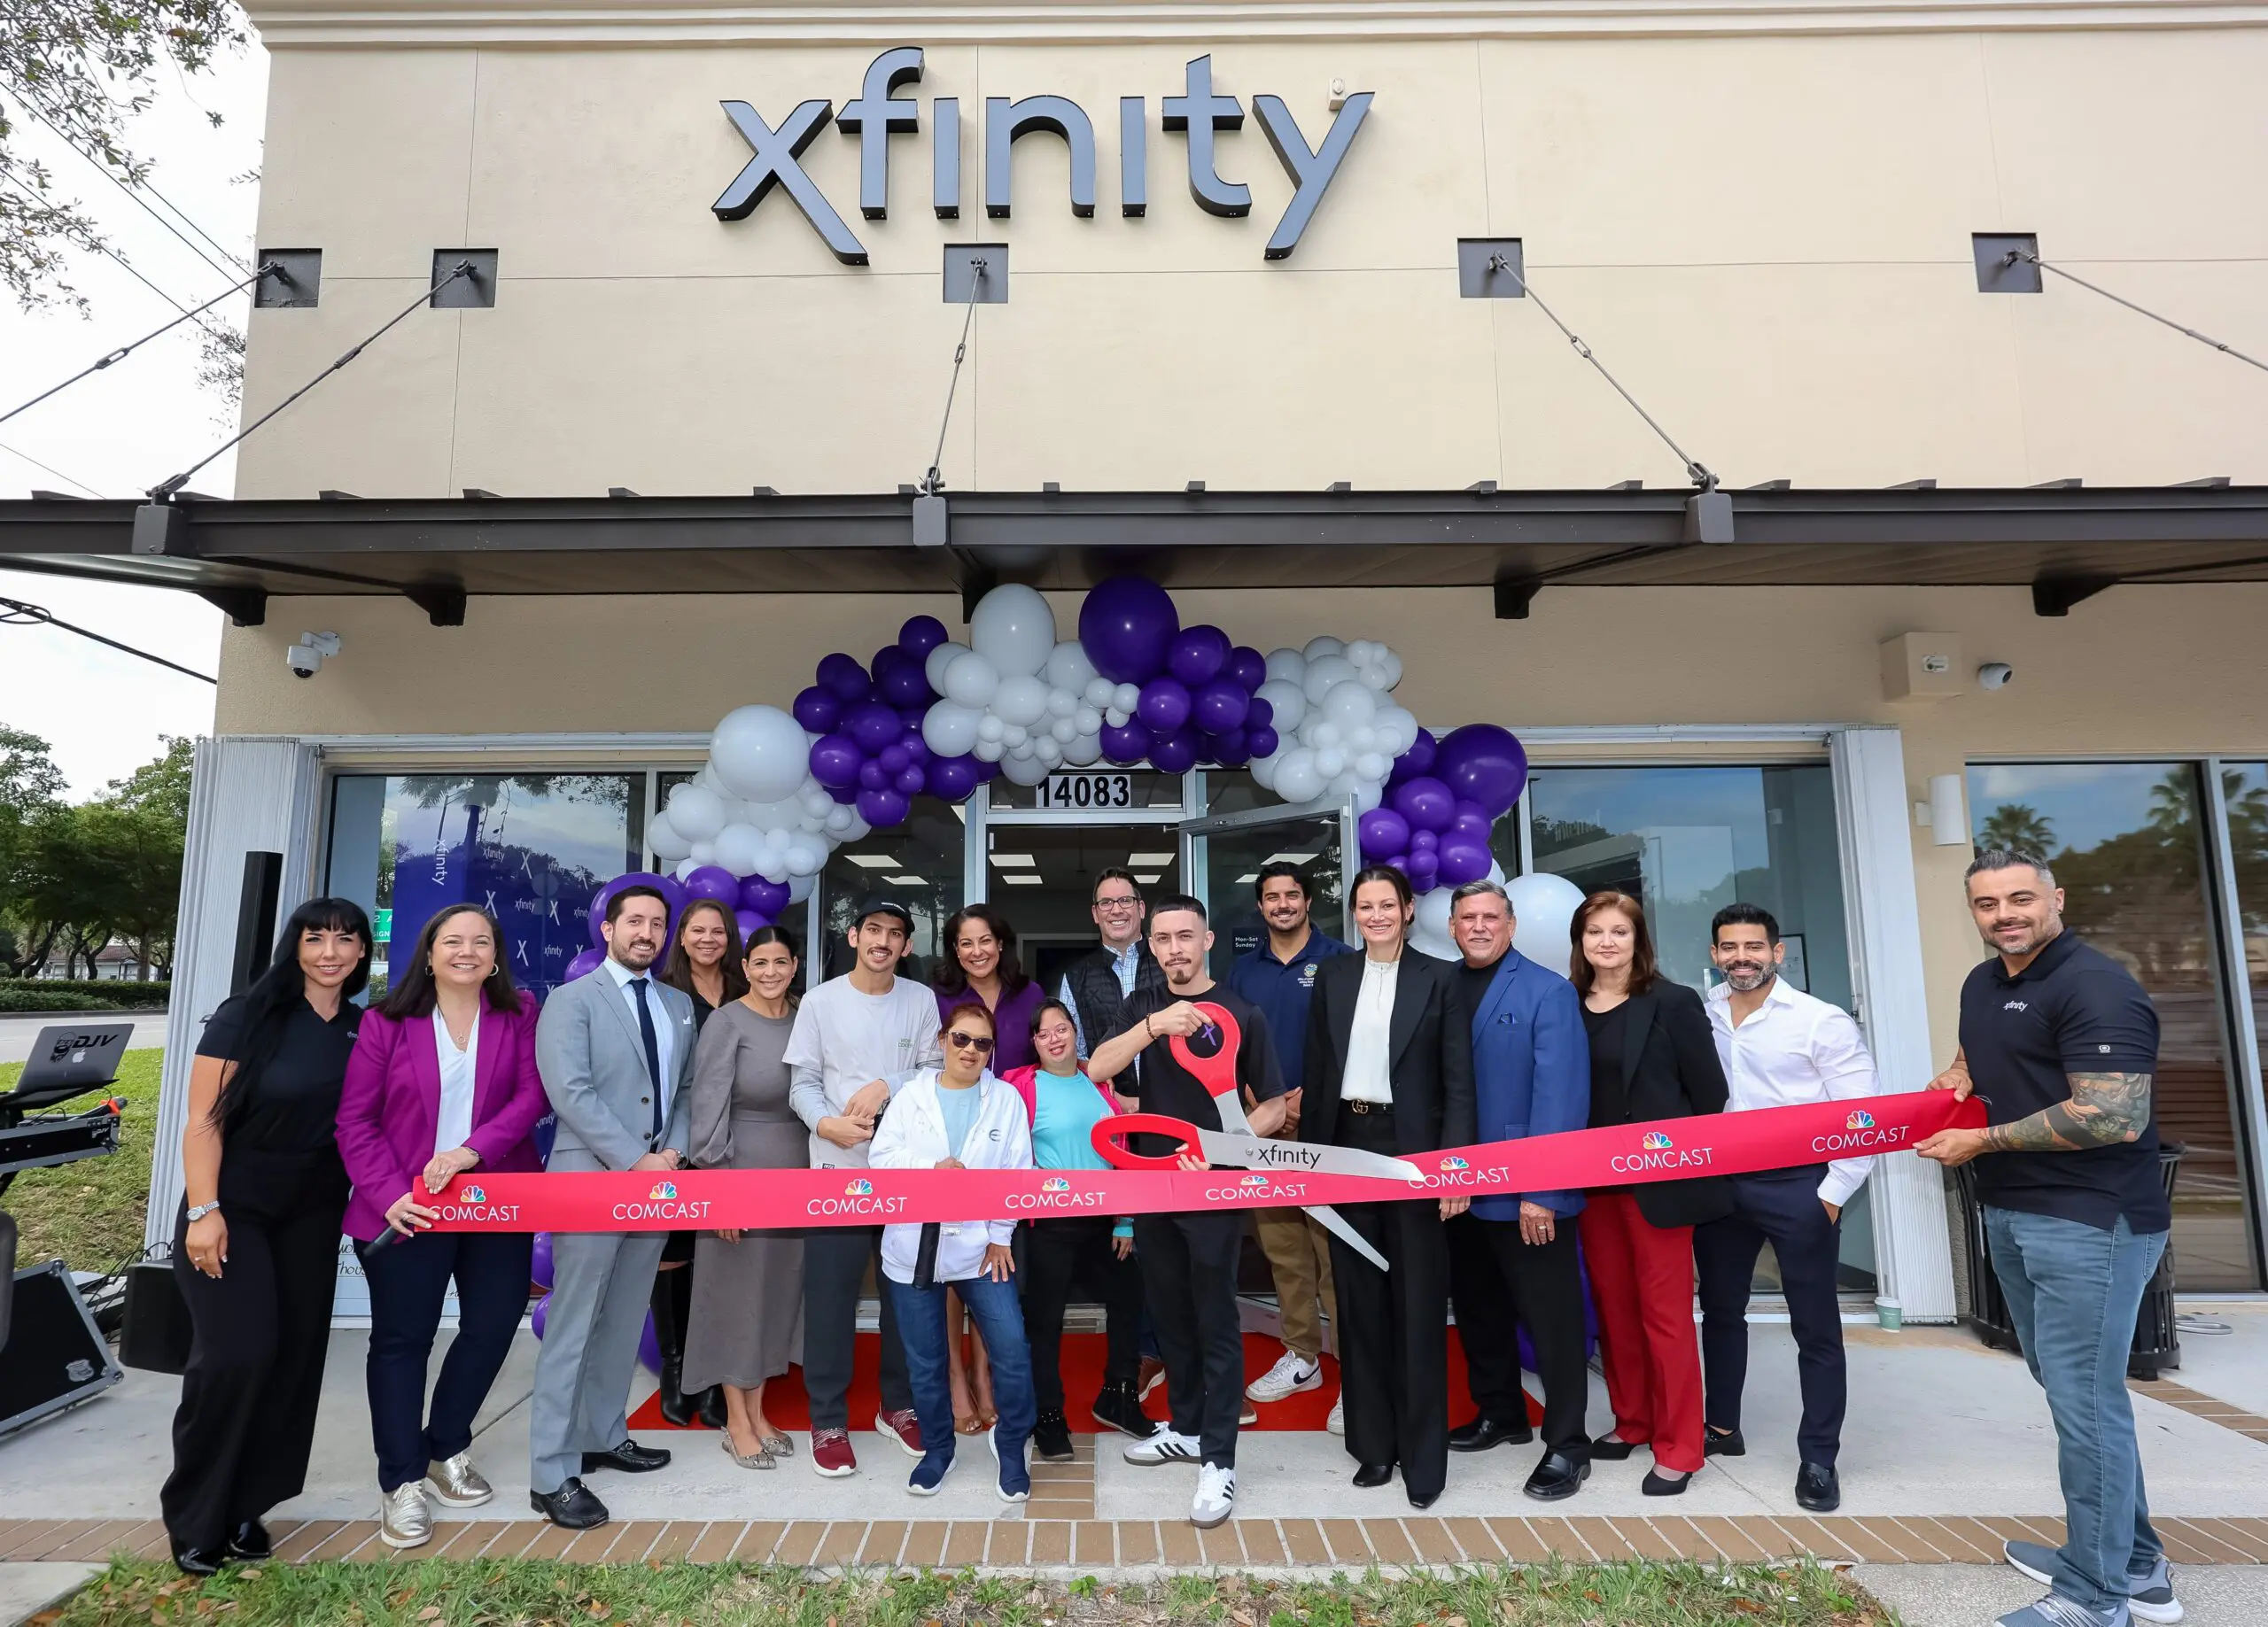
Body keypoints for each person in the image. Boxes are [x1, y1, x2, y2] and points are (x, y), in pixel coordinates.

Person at [1916, 851, 2180, 1627]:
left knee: (2084, 1404)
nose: (2006, 913)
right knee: (2073, 1389)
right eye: (1988, 902)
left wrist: (1983, 1139)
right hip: (2015, 1210)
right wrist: (1958, 1077)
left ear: (2055, 898)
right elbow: (1983, 1054)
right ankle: (2132, 1560)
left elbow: (2112, 1115)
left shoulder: (2098, 986)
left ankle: (2097, 1599)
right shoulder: (1983, 981)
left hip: (2091, 1219)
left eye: (2022, 897)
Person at [161, 898, 375, 1576]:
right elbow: (202, 1120)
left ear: (364, 953)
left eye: (346, 939)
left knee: (290, 1360)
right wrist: (204, 1210)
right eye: (316, 938)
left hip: (311, 1214)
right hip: (235, 1207)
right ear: (295, 945)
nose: (330, 951)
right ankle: (196, 1513)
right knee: (235, 1354)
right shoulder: (245, 1014)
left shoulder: (361, 1027)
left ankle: (249, 1504)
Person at [337, 903, 547, 1548]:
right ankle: (400, 1481)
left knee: (490, 1326)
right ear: (427, 954)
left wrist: (468, 1151)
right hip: (407, 1207)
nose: (467, 951)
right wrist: (390, 1194)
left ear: (495, 955)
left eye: (480, 941)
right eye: (452, 941)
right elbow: (355, 1120)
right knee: (403, 1342)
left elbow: (531, 1097)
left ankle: (445, 1443)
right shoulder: (386, 1023)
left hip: (493, 1198)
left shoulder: (519, 1013)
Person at [1087, 894, 1290, 1530]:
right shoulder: (1143, 1006)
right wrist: (1152, 1027)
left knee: (1214, 1321)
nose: (1174, 948)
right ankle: (1188, 1425)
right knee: (1170, 1314)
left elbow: (1275, 1107)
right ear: (1150, 945)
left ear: (1207, 940)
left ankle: (1221, 1459)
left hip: (1212, 1191)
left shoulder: (1241, 1011)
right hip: (1151, 1187)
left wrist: (1222, 1153)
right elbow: (1099, 1066)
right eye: (1163, 938)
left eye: (1185, 936)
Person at [1298, 865, 1475, 1509]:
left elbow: (1459, 1080)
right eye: (1364, 906)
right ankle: (1374, 1447)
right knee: (1360, 1305)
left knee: (1420, 1308)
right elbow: (1318, 1072)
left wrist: (1454, 1167)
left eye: (1386, 904)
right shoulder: (1335, 977)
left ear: (1407, 910)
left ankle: (1423, 1459)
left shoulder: (1443, 978)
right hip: (1347, 1148)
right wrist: (1311, 1161)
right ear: (1354, 915)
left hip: (1416, 1156)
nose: (1375, 915)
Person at [1695, 902, 1879, 1515]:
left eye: (1753, 946)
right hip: (1722, 1186)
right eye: (1728, 946)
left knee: (1815, 1327)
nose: (1740, 957)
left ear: (1778, 952)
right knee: (1720, 1312)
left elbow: (1864, 1121)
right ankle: (1722, 1427)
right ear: (1716, 954)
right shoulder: (1703, 1017)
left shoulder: (1820, 1022)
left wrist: (1829, 1197)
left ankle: (1819, 1455)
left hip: (1800, 1187)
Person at [527, 884, 696, 1530]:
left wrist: (674, 1152)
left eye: (657, 923)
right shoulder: (571, 1001)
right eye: (635, 921)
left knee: (624, 1319)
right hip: (593, 1181)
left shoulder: (678, 1004)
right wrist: (636, 1159)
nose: (646, 932)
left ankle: (601, 1433)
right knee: (573, 1327)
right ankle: (550, 1471)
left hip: (656, 1187)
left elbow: (682, 1090)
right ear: (609, 928)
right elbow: (570, 1091)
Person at [1572, 890, 1731, 1498]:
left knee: (1663, 1315)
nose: (1606, 942)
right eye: (1594, 931)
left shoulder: (1671, 1001)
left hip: (1658, 1184)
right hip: (1594, 1182)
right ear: (1580, 940)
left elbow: (1708, 1092)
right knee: (1614, 1311)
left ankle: (1681, 1445)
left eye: (1619, 931)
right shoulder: (1570, 1006)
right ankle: (1632, 1419)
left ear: (1639, 940)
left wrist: (1659, 1148)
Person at [1441, 878, 1594, 1501]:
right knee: (1479, 1309)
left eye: (1490, 916)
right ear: (1452, 926)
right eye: (1467, 917)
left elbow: (1560, 1096)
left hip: (1527, 1191)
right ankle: (1501, 1412)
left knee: (1551, 1320)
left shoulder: (1549, 991)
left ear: (1510, 924)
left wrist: (1542, 1189)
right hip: (1459, 1192)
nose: (1478, 926)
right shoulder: (1442, 986)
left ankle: (1567, 1444)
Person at [783, 897, 940, 1476]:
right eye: (873, 929)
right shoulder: (821, 1002)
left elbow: (932, 1071)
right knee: (830, 1298)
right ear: (854, 936)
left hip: (904, 1171)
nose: (883, 941)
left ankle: (897, 1406)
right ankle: (826, 1416)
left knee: (905, 1298)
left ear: (905, 946)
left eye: (895, 933)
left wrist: (884, 1084)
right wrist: (826, 1124)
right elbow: (801, 1081)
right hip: (834, 1169)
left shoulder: (920, 1000)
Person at [868, 1000, 1037, 1501]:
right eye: (961, 1039)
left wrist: (1002, 1235)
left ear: (992, 1052)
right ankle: (938, 1451)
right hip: (913, 1249)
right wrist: (931, 1167)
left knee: (1012, 1350)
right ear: (943, 1040)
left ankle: (1010, 1447)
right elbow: (882, 1156)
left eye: (982, 1043)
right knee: (925, 1360)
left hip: (984, 1248)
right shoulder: (911, 1096)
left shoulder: (1004, 1099)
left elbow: (1017, 1170)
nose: (970, 1050)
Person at [1227, 861, 1354, 1424]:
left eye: (1292, 895)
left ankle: (1360, 1373)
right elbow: (1230, 1044)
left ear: (1308, 901)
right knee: (1285, 1253)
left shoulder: (1340, 962)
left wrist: (1308, 1098)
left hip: (1326, 1126)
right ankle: (1303, 1356)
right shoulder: (1242, 971)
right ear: (1260, 906)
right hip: (1264, 1128)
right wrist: (1262, 1103)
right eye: (1271, 897)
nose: (1282, 904)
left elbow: (1357, 1041)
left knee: (1335, 1255)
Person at [1000, 998, 1151, 1458]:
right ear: (1033, 1043)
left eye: (1062, 1027)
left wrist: (1126, 1219)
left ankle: (1119, 1397)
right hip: (1049, 1224)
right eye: (1044, 1032)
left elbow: (1121, 1147)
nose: (1054, 1038)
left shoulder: (1098, 1081)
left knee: (1129, 1303)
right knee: (1044, 1323)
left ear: (1074, 1032)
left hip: (1106, 1221)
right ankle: (1048, 1417)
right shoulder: (1019, 1087)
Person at [683, 926, 809, 1470]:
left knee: (775, 1296)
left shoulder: (805, 1018)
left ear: (795, 965)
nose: (771, 973)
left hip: (795, 1177)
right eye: (760, 962)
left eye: (780, 962)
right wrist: (719, 1195)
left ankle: (758, 1414)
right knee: (736, 1298)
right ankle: (736, 1422)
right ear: (746, 965)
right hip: (739, 1173)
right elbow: (705, 1108)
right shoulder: (726, 1021)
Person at [930, 903, 1047, 1432]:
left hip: (1008, 1137)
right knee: (952, 1265)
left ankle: (984, 1377)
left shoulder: (1031, 994)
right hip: (952, 1139)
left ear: (1002, 944)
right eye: (964, 943)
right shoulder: (943, 998)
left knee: (992, 1258)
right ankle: (957, 1379)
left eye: (985, 941)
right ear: (955, 951)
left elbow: (1052, 1053)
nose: (976, 952)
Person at [651, 898, 748, 1429]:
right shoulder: (663, 995)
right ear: (682, 938)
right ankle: (677, 1368)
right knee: (674, 1253)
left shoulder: (746, 989)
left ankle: (712, 1376)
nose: (709, 938)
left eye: (718, 930)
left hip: (736, 1142)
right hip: (675, 1143)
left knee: (722, 1260)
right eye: (697, 930)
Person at [1059, 867, 1167, 1060]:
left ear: (1141, 909)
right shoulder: (1075, 978)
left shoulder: (1169, 963)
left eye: (1125, 901)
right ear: (1095, 913)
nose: (1117, 910)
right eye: (1106, 903)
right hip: (1106, 1091)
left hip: (1169, 1090)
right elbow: (1073, 1053)